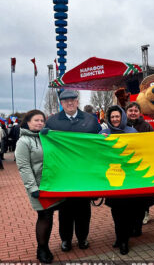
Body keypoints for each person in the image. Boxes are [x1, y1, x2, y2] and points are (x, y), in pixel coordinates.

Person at [44, 89, 101, 252]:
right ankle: (66, 240)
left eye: (73, 100)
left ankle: (83, 238)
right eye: (66, 100)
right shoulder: (52, 122)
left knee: (84, 209)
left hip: (85, 173)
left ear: (77, 101)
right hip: (64, 175)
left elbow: (98, 145)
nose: (69, 103)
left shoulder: (91, 120)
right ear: (61, 103)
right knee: (65, 210)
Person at [16, 110, 61, 264]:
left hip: (52, 184)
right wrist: (32, 188)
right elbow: (23, 167)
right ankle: (42, 248)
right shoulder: (23, 142)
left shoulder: (46, 137)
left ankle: (46, 246)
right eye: (36, 120)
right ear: (27, 122)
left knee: (50, 215)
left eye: (42, 120)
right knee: (44, 216)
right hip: (38, 186)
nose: (40, 123)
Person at [100, 105, 137, 255]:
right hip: (112, 179)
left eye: (117, 116)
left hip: (128, 179)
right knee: (116, 212)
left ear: (122, 117)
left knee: (127, 212)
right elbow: (99, 154)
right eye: (112, 117)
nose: (115, 119)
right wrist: (100, 141)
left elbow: (138, 152)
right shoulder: (103, 133)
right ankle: (119, 236)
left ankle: (124, 241)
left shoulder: (132, 132)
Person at [125, 102, 154, 226]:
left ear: (139, 113)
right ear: (126, 112)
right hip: (127, 166)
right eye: (130, 110)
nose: (133, 113)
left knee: (143, 194)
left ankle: (145, 213)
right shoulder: (121, 126)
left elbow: (153, 144)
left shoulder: (146, 126)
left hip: (142, 164)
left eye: (135, 110)